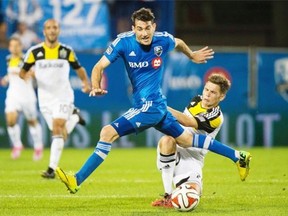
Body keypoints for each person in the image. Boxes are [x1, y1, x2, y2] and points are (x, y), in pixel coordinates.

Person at [56, 8, 251, 194]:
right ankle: (238, 157)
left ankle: (77, 180)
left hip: (149, 105)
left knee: (107, 132)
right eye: (139, 29)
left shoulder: (163, 40)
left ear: (154, 27)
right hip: (156, 105)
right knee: (186, 139)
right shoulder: (123, 42)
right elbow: (98, 66)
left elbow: (179, 42)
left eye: (147, 28)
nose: (144, 33)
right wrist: (96, 85)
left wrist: (191, 55)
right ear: (133, 29)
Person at [19, 19, 91, 179]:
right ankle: (73, 118)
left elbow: (79, 69)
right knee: (60, 134)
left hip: (63, 96)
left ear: (58, 31)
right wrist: (28, 75)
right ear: (44, 31)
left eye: (55, 28)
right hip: (44, 100)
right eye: (49, 28)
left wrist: (85, 83)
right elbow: (22, 73)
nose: (52, 30)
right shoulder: (34, 52)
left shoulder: (66, 51)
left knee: (57, 127)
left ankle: (51, 169)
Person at [151, 73, 232, 208]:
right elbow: (180, 119)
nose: (207, 94)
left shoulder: (215, 116)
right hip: (175, 148)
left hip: (192, 158)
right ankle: (167, 196)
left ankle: (189, 186)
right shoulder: (196, 100)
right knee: (167, 140)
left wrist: (161, 106)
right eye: (206, 89)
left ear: (221, 96)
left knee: (191, 198)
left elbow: (188, 121)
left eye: (213, 92)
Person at [1, 37, 43, 160]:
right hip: (13, 94)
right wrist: (6, 79)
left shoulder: (27, 59)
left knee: (32, 121)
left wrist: (28, 74)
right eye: (12, 45)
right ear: (9, 47)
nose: (14, 48)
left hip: (27, 95)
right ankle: (17, 145)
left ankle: (38, 146)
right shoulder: (8, 59)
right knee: (10, 120)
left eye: (16, 45)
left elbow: (35, 73)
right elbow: (11, 74)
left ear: (20, 46)